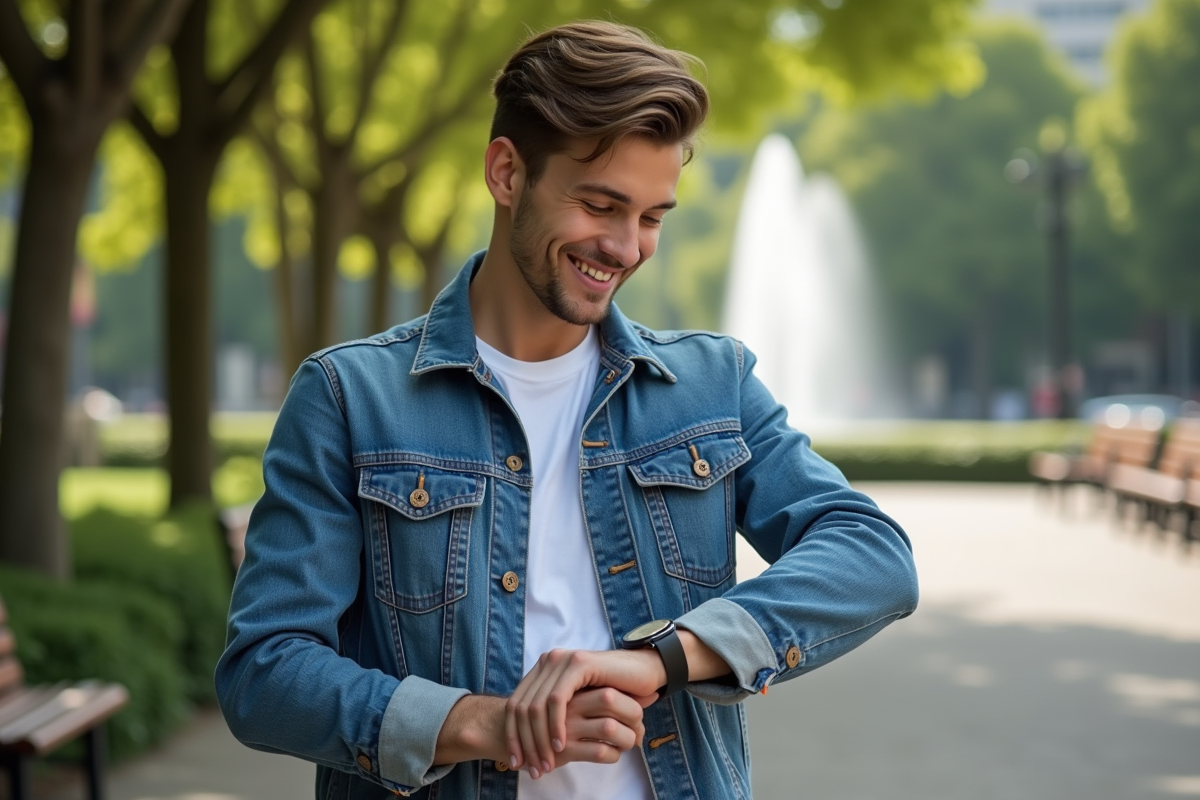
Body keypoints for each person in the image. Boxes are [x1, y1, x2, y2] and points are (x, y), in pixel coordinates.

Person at [216, 20, 918, 799]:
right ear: (507, 172)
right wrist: (484, 722)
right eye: (601, 205)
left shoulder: (711, 384)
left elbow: (872, 555)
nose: (625, 247)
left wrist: (665, 656)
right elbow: (265, 671)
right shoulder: (351, 398)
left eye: (652, 217)